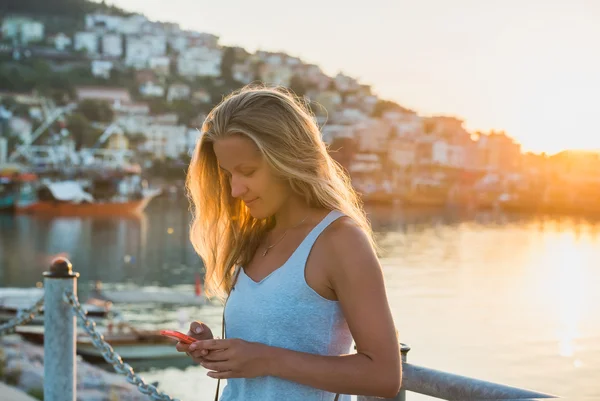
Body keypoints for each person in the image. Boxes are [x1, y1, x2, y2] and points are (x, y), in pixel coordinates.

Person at [177, 85, 401, 401]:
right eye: (228, 174)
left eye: (248, 171)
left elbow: (384, 375)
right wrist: (218, 351)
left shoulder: (340, 241)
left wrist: (265, 359)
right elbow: (262, 350)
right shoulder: (254, 237)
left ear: (287, 159)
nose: (235, 190)